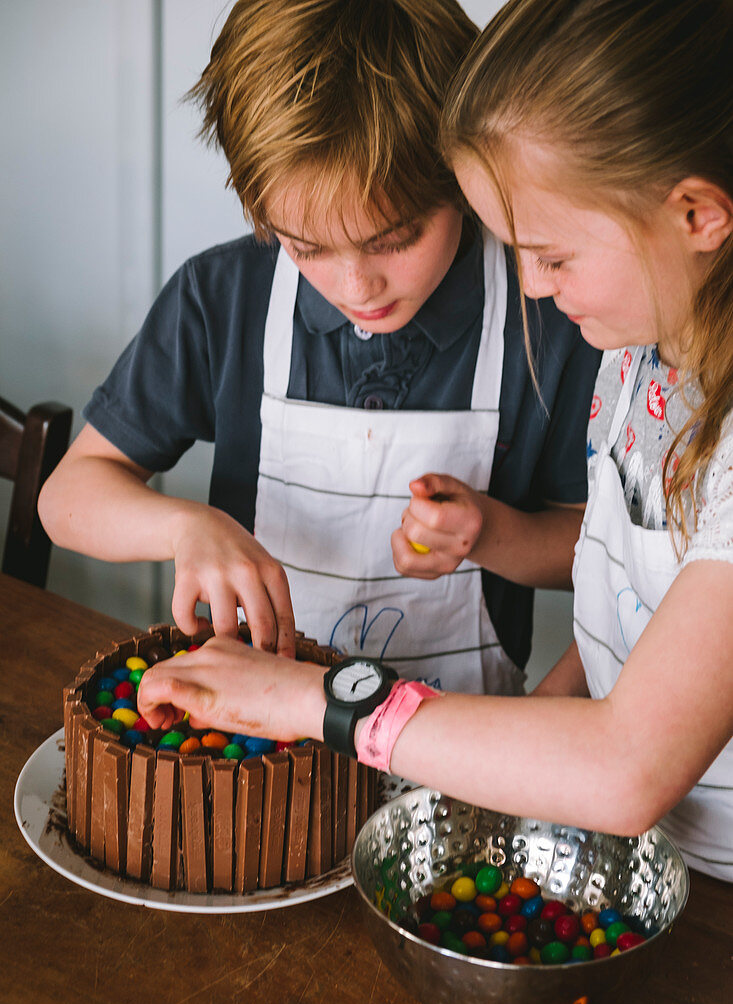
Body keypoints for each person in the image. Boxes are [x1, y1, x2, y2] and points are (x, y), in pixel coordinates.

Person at [136, 0, 733, 882]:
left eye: (553, 256)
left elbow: (626, 765)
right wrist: (522, 741)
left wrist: (316, 700)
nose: (531, 285)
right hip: (628, 851)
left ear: (695, 216)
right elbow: (629, 619)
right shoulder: (642, 353)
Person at [38, 0, 598, 697]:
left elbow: (597, 550)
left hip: (459, 744)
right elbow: (65, 498)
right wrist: (186, 527)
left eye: (394, 239)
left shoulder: (547, 310)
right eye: (307, 247)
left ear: (463, 174)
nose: (356, 284)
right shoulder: (223, 299)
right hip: (258, 741)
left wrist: (490, 535)